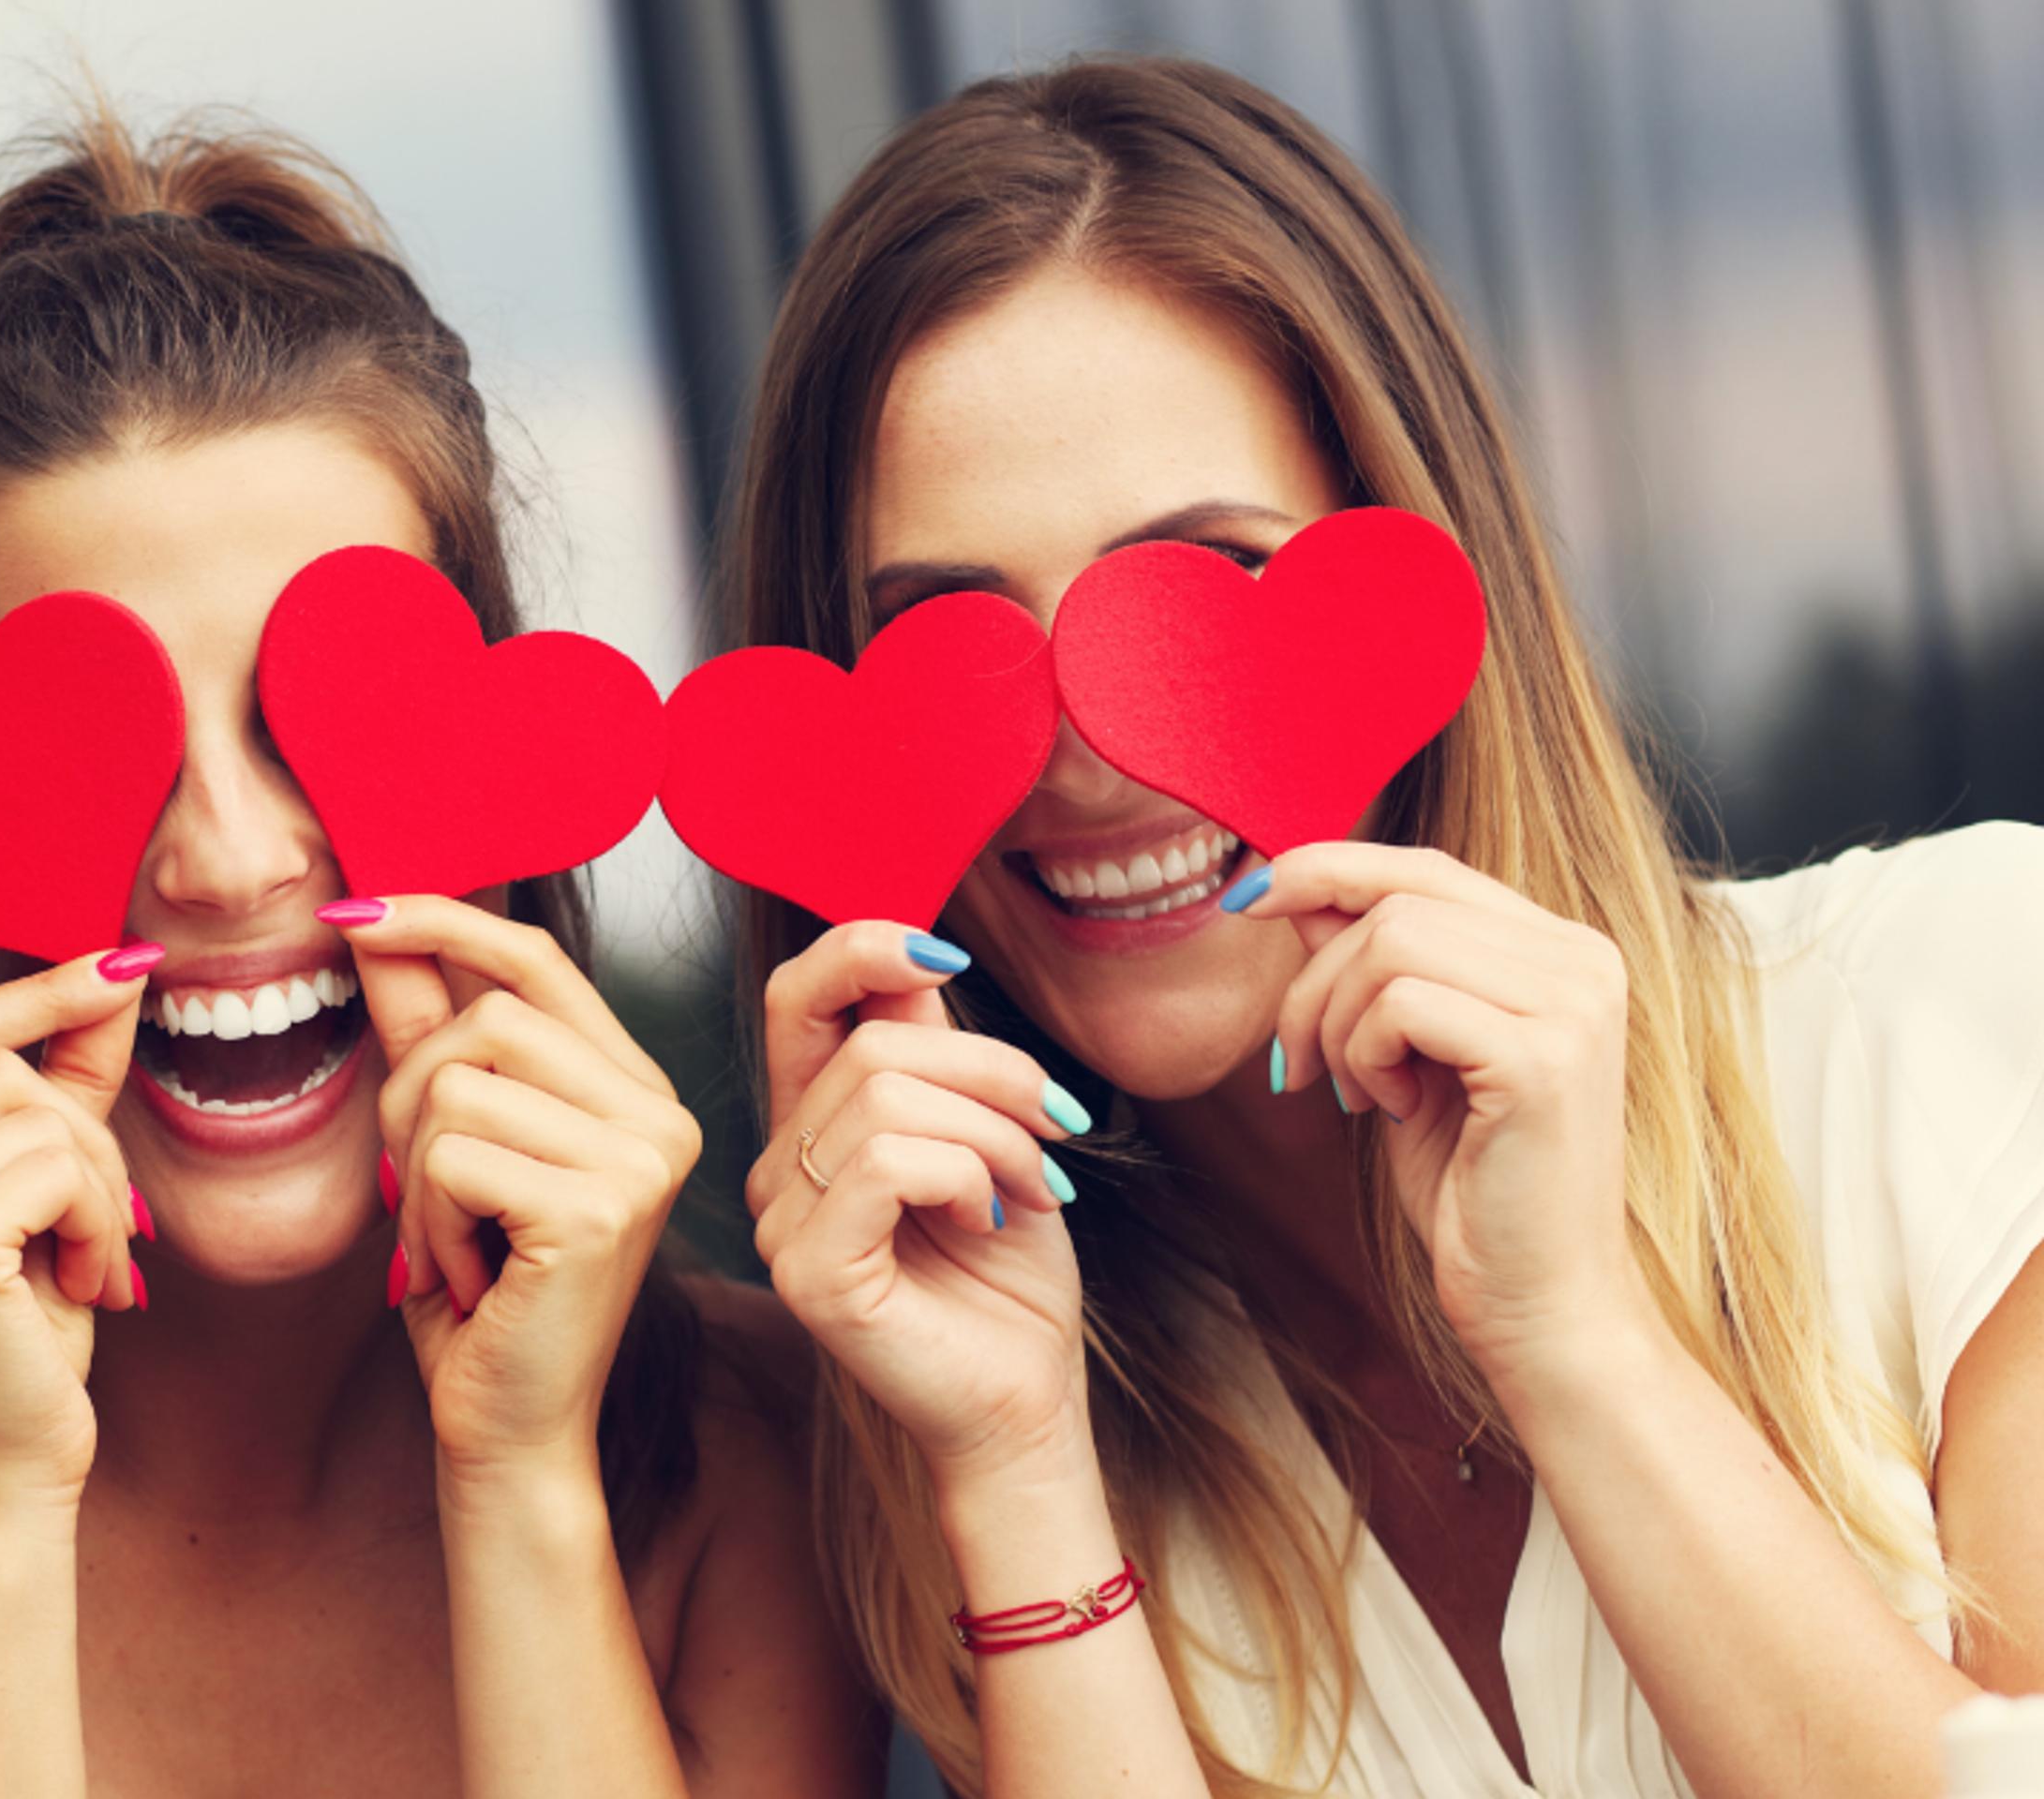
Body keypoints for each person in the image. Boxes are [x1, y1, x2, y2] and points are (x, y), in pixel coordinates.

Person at [722, 55, 2044, 1798]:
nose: (1090, 753)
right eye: (949, 645)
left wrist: (1574, 1337)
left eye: (1204, 587)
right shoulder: (971, 1377)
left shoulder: (1955, 1009)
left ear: (1404, 577)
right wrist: (1020, 1465)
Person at [0, 109, 868, 1799]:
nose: (221, 860)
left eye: (316, 721)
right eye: (95, 752)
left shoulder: (765, 1444)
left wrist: (520, 1479)